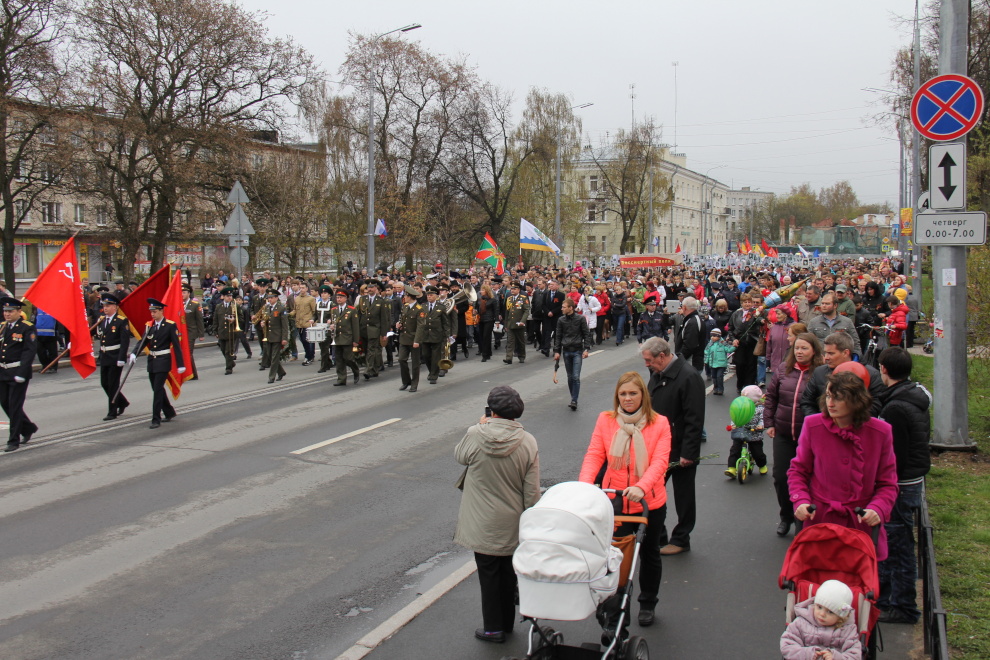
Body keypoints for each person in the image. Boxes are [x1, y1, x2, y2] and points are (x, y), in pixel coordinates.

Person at [578, 371, 672, 627]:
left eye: (633, 393)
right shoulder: (606, 420)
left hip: (649, 501)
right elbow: (595, 455)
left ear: (643, 395)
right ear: (616, 396)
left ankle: (648, 602)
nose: (628, 398)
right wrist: (584, 486)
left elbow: (660, 461)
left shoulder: (659, 423)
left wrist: (642, 486)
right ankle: (617, 611)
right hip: (616, 501)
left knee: (650, 554)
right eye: (623, 394)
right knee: (615, 557)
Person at [454, 386, 540, 644]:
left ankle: (492, 629)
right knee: (508, 573)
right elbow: (531, 492)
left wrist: (479, 425)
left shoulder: (475, 434)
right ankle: (507, 624)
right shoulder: (528, 441)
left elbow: (460, 456)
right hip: (512, 521)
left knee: (488, 574)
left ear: (491, 410)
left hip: (481, 521)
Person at [789, 371, 899, 560]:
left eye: (838, 398)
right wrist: (801, 500)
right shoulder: (813, 425)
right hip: (820, 522)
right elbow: (798, 471)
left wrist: (878, 508)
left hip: (860, 525)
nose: (830, 403)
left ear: (857, 400)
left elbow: (888, 483)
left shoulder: (881, 432)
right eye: (828, 396)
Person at [876, 347, 931, 624]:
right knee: (896, 540)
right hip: (911, 478)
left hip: (900, 483)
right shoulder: (912, 395)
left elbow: (894, 453)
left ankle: (903, 605)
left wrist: (883, 486)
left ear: (884, 369)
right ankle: (888, 597)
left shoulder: (896, 407)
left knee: (897, 545)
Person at [641, 337, 706, 555]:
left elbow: (694, 419)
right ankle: (659, 537)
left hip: (679, 450)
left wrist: (689, 453)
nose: (647, 364)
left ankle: (681, 539)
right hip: (659, 447)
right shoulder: (658, 373)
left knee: (683, 497)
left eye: (649, 360)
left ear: (662, 356)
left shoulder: (688, 377)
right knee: (652, 492)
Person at [765, 332, 824, 537]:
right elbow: (771, 397)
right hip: (783, 432)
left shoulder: (820, 373)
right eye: (797, 348)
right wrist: (769, 423)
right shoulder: (783, 369)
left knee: (808, 479)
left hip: (808, 437)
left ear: (814, 351)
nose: (799, 352)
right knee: (781, 477)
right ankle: (786, 516)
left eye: (804, 348)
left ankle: (804, 518)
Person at [127, 298, 186, 429]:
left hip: (163, 360)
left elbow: (176, 346)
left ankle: (156, 418)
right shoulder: (150, 326)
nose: (152, 314)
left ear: (161, 311)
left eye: (154, 312)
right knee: (156, 388)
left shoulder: (170, 325)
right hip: (152, 361)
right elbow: (143, 341)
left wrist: (180, 364)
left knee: (157, 390)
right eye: (151, 312)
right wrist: (134, 353)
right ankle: (169, 411)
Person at [800, 332, 884, 419]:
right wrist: (821, 422)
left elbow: (876, 405)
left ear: (845, 353)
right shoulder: (819, 372)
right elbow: (807, 402)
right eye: (825, 353)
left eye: (831, 353)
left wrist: (849, 421)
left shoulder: (871, 374)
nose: (826, 357)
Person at [780, 579, 862, 660]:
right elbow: (787, 645)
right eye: (819, 607)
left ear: (840, 616)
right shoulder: (801, 623)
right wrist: (807, 654)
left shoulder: (847, 631)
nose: (822, 614)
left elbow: (855, 655)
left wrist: (836, 657)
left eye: (830, 612)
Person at [1, 297, 38, 452]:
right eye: (5, 311)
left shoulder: (27, 327)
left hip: (17, 372)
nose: (7, 314)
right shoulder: (3, 327)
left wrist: (22, 372)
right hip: (3, 372)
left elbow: (29, 351)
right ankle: (28, 427)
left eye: (10, 311)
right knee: (5, 403)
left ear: (18, 311)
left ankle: (13, 440)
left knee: (15, 406)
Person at [93, 294, 132, 420]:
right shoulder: (102, 320)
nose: (105, 308)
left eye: (108, 306)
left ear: (115, 307)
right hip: (104, 356)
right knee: (104, 383)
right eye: (104, 306)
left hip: (115, 356)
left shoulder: (121, 321)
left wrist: (122, 358)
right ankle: (122, 402)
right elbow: (94, 333)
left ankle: (112, 411)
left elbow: (125, 341)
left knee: (113, 384)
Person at [553, 297, 592, 411]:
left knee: (575, 376)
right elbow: (558, 336)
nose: (562, 309)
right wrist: (557, 351)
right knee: (570, 377)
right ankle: (573, 397)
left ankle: (574, 400)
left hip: (577, 350)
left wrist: (586, 349)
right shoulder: (561, 320)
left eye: (564, 307)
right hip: (566, 350)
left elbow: (586, 334)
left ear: (571, 308)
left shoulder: (580, 319)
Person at [725, 384, 768, 477]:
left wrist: (761, 425)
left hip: (754, 433)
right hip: (740, 431)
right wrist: (733, 425)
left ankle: (762, 465)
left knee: (758, 453)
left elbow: (762, 418)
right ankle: (732, 468)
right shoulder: (741, 405)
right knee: (735, 450)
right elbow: (735, 415)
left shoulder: (760, 408)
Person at [807, 292, 862, 358]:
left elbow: (855, 343)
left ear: (835, 305)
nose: (824, 306)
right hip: (820, 359)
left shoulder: (847, 322)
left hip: (841, 360)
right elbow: (808, 342)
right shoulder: (814, 322)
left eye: (827, 304)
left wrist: (856, 356)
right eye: (822, 303)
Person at [357, 279, 391, 379]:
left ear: (376, 288)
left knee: (371, 349)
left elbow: (384, 319)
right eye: (369, 287)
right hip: (364, 329)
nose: (370, 289)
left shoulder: (381, 301)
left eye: (372, 287)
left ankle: (368, 369)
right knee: (367, 350)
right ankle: (375, 370)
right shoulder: (362, 299)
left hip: (375, 329)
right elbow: (359, 315)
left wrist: (384, 333)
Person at [330, 288, 360, 386]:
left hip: (347, 337)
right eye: (337, 297)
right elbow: (334, 322)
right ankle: (341, 379)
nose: (338, 299)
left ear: (346, 298)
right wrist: (331, 326)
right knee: (339, 359)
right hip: (337, 338)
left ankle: (355, 370)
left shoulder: (352, 310)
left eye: (341, 297)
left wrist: (356, 340)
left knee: (348, 358)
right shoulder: (334, 310)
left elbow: (355, 326)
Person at [397, 286, 424, 392]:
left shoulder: (419, 309)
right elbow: (403, 320)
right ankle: (406, 381)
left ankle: (414, 383)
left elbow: (420, 326)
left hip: (413, 339)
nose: (404, 297)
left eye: (405, 296)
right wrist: (399, 324)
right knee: (401, 359)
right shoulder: (405, 306)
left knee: (415, 363)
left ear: (410, 297)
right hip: (404, 338)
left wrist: (417, 340)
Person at [260, 289, 289, 384]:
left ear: (276, 298)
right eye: (269, 298)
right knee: (269, 355)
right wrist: (263, 323)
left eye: (272, 298)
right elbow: (266, 319)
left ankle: (271, 376)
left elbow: (285, 325)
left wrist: (284, 338)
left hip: (277, 336)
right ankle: (281, 372)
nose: (270, 299)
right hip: (268, 336)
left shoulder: (281, 308)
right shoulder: (267, 307)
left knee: (274, 357)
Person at [212, 287, 241, 375]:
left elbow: (241, 318)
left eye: (230, 296)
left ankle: (228, 368)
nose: (229, 297)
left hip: (231, 332)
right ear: (223, 297)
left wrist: (234, 320)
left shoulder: (235, 306)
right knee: (223, 349)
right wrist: (215, 331)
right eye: (228, 296)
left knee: (229, 351)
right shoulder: (219, 306)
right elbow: (216, 319)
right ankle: (231, 362)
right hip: (222, 331)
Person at [502, 281, 530, 364]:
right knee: (510, 342)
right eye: (511, 289)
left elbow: (526, 311)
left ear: (518, 290)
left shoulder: (523, 298)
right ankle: (508, 358)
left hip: (519, 324)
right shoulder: (509, 299)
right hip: (511, 324)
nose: (512, 290)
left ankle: (521, 356)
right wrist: (506, 324)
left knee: (520, 341)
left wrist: (522, 321)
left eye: (514, 289)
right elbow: (507, 312)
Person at [675, 296, 705, 372]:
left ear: (684, 307)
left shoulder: (692, 322)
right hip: (692, 363)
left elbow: (689, 346)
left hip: (691, 364)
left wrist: (678, 360)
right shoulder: (693, 319)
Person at [181, 285, 205, 380]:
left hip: (191, 332)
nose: (182, 294)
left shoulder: (195, 305)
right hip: (181, 333)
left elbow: (199, 320)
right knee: (184, 353)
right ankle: (190, 373)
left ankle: (193, 374)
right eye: (181, 292)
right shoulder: (178, 304)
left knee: (188, 353)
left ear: (188, 293)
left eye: (184, 292)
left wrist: (201, 334)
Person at [703, 328, 734, 395]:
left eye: (714, 336)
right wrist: (705, 361)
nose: (712, 337)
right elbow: (707, 353)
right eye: (711, 336)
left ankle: (720, 389)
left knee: (719, 376)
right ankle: (715, 388)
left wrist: (734, 346)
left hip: (721, 364)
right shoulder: (710, 344)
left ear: (719, 336)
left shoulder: (723, 343)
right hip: (712, 363)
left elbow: (729, 349)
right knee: (714, 377)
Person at [293, 283, 317, 365]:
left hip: (307, 323)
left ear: (307, 289)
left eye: (303, 288)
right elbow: (295, 310)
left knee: (306, 340)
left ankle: (308, 356)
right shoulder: (297, 298)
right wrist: (288, 314)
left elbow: (314, 311)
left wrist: (313, 320)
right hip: (299, 323)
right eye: (300, 288)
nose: (301, 290)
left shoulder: (311, 299)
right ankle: (309, 355)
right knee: (302, 340)